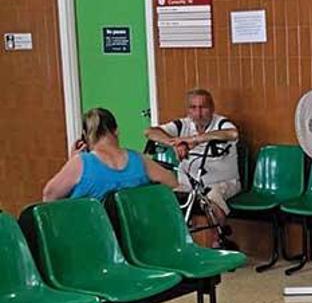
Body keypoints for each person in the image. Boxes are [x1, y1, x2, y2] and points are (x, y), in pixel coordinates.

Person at [144, 89, 240, 230]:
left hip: (222, 183)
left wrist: (194, 140)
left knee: (211, 199)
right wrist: (175, 143)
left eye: (203, 107)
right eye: (193, 108)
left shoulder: (221, 123)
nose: (198, 113)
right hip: (188, 184)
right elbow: (150, 132)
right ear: (188, 110)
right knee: (163, 197)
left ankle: (218, 241)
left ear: (212, 108)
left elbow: (232, 133)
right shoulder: (183, 124)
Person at [43, 108, 178, 201]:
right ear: (116, 131)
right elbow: (173, 183)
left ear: (84, 137)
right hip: (134, 235)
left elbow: (49, 195)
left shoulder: (80, 163)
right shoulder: (139, 160)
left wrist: (71, 161)